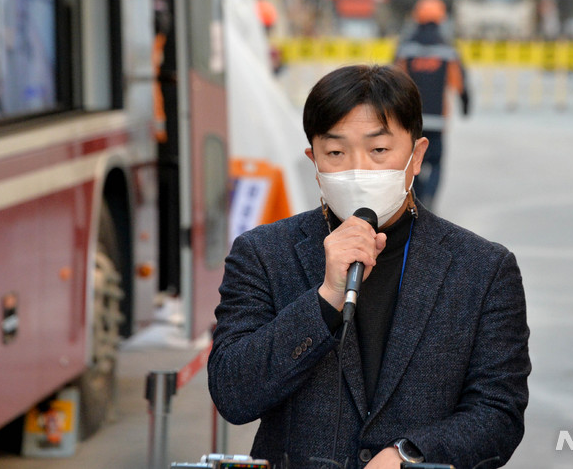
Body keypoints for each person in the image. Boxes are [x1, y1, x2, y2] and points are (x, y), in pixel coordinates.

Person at [208, 65, 530, 469]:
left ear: (416, 156)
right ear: (314, 160)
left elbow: (499, 412)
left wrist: (410, 454)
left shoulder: (482, 268)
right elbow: (233, 393)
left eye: (379, 151)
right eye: (336, 153)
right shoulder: (263, 253)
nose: (358, 170)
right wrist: (325, 299)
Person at [394, 0, 470, 210]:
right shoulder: (447, 50)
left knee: (413, 163)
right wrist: (466, 104)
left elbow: (393, 80)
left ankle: (417, 200)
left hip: (411, 120)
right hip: (437, 120)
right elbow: (459, 82)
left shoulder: (406, 48)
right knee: (435, 163)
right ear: (441, 19)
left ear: (416, 18)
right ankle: (429, 200)